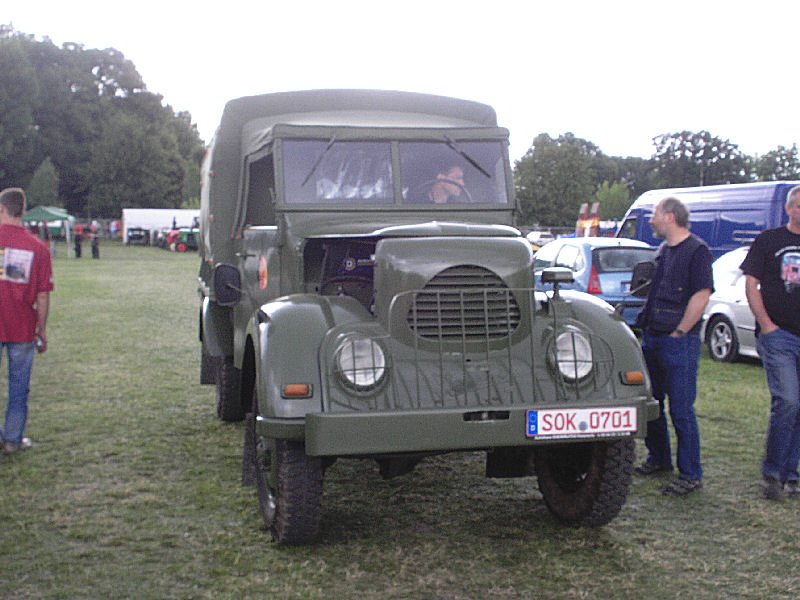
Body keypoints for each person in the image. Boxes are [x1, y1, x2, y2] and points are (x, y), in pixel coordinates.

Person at [634, 196, 713, 496]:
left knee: (680, 409)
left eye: (655, 214)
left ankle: (690, 474)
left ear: (669, 216)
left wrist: (680, 331)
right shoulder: (663, 251)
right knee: (652, 403)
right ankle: (659, 458)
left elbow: (701, 295)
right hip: (653, 336)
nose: (651, 220)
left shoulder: (697, 250)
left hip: (679, 342)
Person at [740, 185, 800, 500]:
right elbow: (751, 283)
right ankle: (772, 473)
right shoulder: (769, 240)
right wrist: (767, 325)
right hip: (779, 335)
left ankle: (791, 475)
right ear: (788, 209)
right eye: (799, 206)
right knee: (788, 401)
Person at [0, 188, 54, 455]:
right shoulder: (38, 248)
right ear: (22, 211)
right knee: (19, 386)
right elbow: (43, 295)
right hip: (22, 326)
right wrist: (41, 329)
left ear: (2, 209)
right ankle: (12, 439)